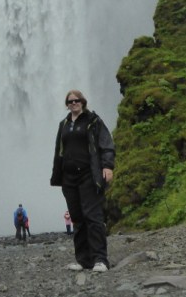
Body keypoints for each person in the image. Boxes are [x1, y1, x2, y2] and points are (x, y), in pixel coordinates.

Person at [50, 90, 115, 273]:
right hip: (69, 178)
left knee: (93, 217)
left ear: (83, 102)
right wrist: (57, 176)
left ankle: (100, 259)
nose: (74, 103)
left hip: (89, 175)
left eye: (77, 100)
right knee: (77, 218)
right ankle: (83, 259)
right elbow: (58, 151)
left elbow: (106, 143)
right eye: (70, 101)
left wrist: (107, 166)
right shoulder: (63, 124)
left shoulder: (93, 121)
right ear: (67, 104)